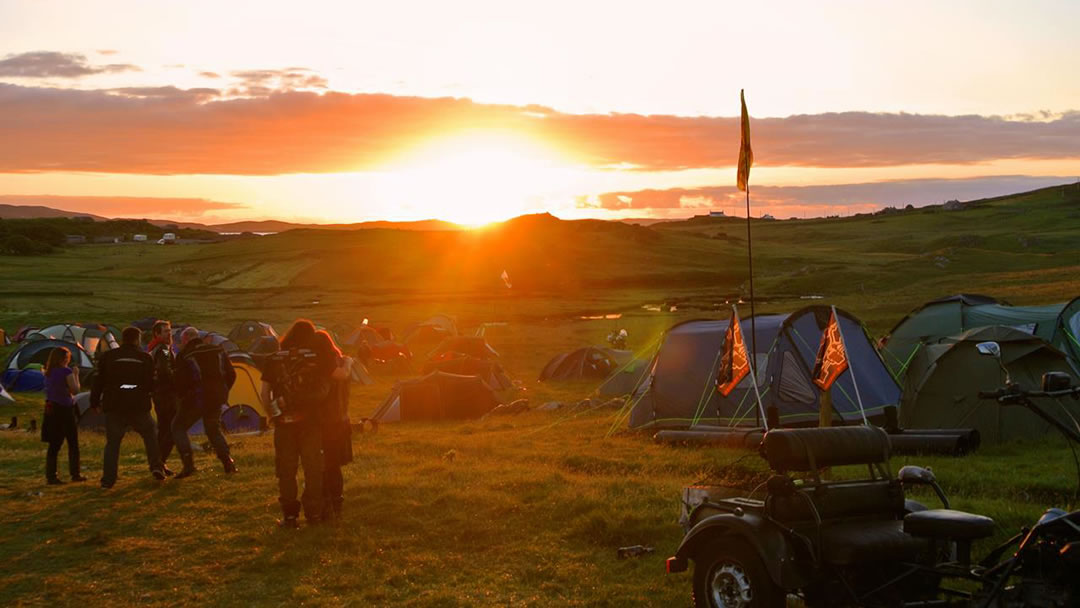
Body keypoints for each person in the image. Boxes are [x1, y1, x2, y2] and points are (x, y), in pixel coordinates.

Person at [260, 319, 335, 528]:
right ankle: (314, 514)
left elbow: (265, 394)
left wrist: (273, 414)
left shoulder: (273, 359)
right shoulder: (315, 359)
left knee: (286, 470)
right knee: (313, 469)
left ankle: (290, 517)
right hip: (311, 421)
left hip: (284, 423)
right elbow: (324, 390)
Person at [92, 326, 164, 488]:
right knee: (150, 434)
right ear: (137, 339)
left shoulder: (108, 357)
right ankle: (156, 467)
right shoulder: (144, 357)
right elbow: (152, 382)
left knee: (113, 443)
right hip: (138, 404)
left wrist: (94, 402)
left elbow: (98, 381)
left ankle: (108, 480)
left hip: (114, 404)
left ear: (122, 339)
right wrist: (149, 394)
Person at [172, 327, 237, 478]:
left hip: (196, 399)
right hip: (216, 398)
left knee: (178, 427)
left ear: (186, 339)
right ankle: (228, 463)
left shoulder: (185, 355)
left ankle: (188, 465)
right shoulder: (217, 350)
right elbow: (231, 374)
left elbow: (180, 381)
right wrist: (224, 391)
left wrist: (182, 397)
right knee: (213, 429)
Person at [314, 330, 354, 519]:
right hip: (339, 420)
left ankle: (328, 502)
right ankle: (335, 502)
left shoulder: (322, 363)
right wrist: (348, 362)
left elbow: (340, 377)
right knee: (333, 465)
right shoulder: (337, 361)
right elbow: (344, 378)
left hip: (325, 421)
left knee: (325, 465)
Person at [41, 346, 84, 484]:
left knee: (54, 444)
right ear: (63, 359)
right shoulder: (66, 371)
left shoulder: (48, 372)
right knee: (72, 442)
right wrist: (76, 374)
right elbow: (75, 390)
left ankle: (51, 475)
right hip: (65, 408)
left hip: (51, 408)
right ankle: (75, 473)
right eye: (67, 358)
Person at [147, 321, 178, 476]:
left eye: (170, 331)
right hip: (167, 394)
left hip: (159, 394)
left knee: (164, 430)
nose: (169, 334)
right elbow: (165, 370)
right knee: (173, 429)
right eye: (165, 331)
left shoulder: (154, 348)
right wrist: (177, 380)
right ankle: (158, 464)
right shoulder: (163, 350)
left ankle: (158, 464)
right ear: (157, 334)